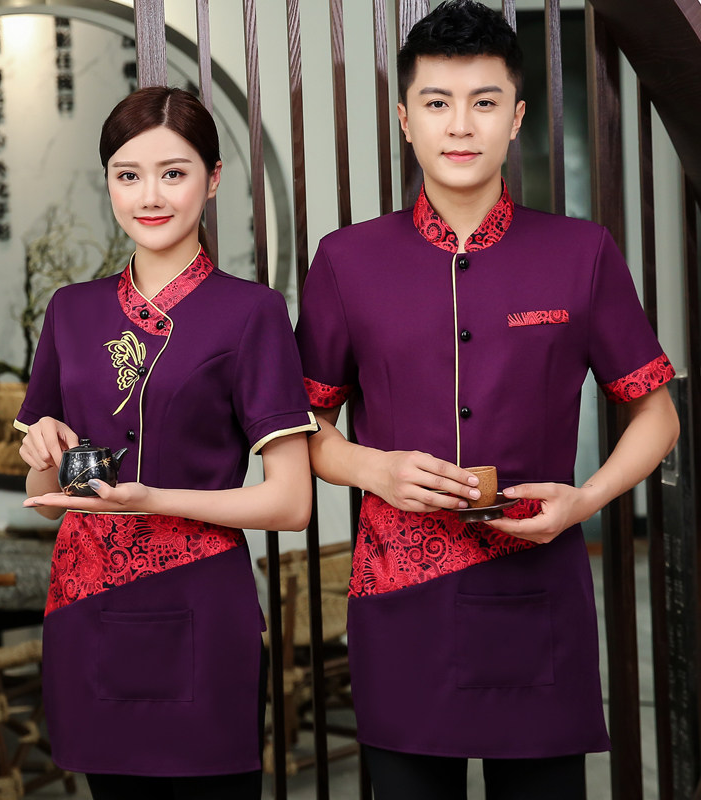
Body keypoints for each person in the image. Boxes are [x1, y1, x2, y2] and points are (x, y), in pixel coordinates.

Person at [294, 1, 680, 798]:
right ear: (406, 120)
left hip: (538, 595)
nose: (461, 125)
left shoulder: (580, 253)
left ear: (517, 118)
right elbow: (305, 426)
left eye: (484, 102)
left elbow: (657, 413)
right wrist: (373, 469)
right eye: (437, 102)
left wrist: (584, 502)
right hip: (401, 600)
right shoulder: (346, 261)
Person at [15, 86, 317, 800]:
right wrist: (43, 458)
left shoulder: (251, 312)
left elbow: (291, 503)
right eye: (128, 175)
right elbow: (47, 501)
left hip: (203, 609)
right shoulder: (70, 311)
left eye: (173, 173)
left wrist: (155, 499)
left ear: (213, 180)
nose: (149, 195)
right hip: (89, 606)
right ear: (109, 183)